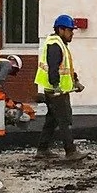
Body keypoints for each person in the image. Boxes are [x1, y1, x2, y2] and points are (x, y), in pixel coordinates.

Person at [35, 13, 84, 161]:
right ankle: (71, 151)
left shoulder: (58, 44)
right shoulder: (55, 45)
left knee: (52, 120)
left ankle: (42, 150)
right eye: (70, 30)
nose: (72, 34)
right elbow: (53, 68)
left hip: (55, 90)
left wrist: (75, 81)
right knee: (65, 120)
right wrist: (56, 86)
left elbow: (65, 66)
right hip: (57, 92)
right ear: (61, 29)